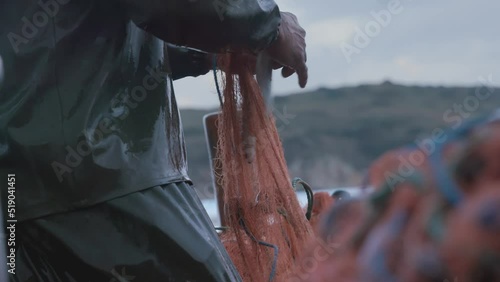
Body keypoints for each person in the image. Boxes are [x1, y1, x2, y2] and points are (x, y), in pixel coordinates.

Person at [0, 0, 308, 281]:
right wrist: (272, 26)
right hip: (106, 174)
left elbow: (77, 37)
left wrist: (216, 50)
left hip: (17, 203)